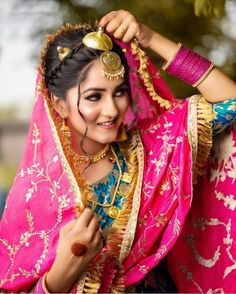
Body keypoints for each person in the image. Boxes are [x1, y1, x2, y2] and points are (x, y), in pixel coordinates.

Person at [0, 10, 235, 293]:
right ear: (58, 104)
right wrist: (63, 268)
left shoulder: (152, 148)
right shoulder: (37, 192)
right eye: (94, 96)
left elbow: (231, 101)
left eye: (120, 92)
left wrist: (150, 38)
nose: (112, 110)